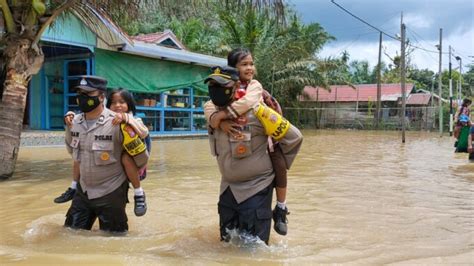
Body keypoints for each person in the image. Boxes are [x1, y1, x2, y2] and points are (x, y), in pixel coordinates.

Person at [204, 66, 303, 244]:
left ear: (235, 86)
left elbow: (294, 138)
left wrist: (272, 167)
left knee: (254, 253)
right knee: (226, 245)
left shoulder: (258, 112)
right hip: (227, 190)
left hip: (255, 190)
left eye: (221, 85)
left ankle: (280, 209)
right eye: (212, 85)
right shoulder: (213, 115)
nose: (215, 90)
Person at [64, 76, 149, 232]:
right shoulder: (73, 122)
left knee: (114, 242)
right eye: (80, 93)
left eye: (88, 94)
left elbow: (141, 159)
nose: (83, 98)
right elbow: (72, 152)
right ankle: (72, 187)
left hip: (111, 193)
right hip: (84, 192)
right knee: (69, 234)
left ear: (101, 97)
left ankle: (139, 193)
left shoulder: (119, 123)